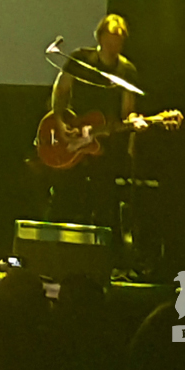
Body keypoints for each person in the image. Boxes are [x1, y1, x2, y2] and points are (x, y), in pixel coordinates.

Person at [47, 14, 146, 227]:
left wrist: (134, 122)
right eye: (109, 41)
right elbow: (61, 90)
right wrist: (60, 121)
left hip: (104, 142)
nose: (113, 47)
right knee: (65, 196)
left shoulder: (126, 71)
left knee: (104, 199)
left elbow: (127, 111)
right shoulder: (80, 60)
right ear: (100, 38)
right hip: (73, 136)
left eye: (117, 42)